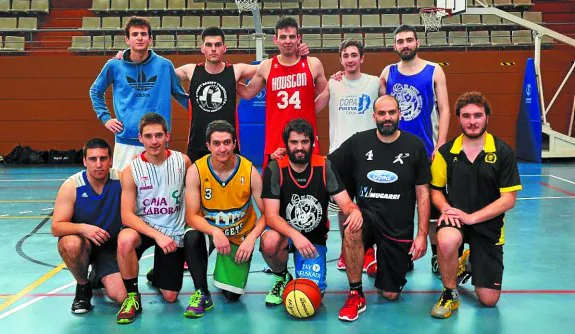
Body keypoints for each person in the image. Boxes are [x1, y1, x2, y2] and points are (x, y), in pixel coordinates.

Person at [330, 95, 430, 322]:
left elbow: (423, 192)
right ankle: (356, 293)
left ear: (399, 115)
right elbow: (326, 165)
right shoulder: (358, 142)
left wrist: (422, 234)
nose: (387, 118)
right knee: (352, 228)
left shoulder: (414, 146)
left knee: (390, 294)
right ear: (374, 116)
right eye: (382, 113)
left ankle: (386, 260)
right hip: (367, 216)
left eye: (391, 113)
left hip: (397, 224)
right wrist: (347, 203)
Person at [429, 91, 522, 319]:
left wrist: (472, 217)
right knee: (447, 239)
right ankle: (450, 293)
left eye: (478, 115)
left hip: (488, 224)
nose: (472, 121)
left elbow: (508, 199)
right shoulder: (445, 152)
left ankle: (469, 261)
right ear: (459, 118)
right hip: (455, 219)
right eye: (466, 116)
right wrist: (445, 208)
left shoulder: (503, 152)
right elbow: (436, 190)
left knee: (489, 300)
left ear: (487, 117)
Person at [260, 119, 362, 305]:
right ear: (286, 144)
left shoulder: (324, 166)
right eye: (294, 142)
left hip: (314, 239)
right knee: (269, 241)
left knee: (310, 296)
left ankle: (305, 271)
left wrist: (354, 211)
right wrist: (295, 236)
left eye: (304, 142)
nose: (300, 147)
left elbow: (346, 203)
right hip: (286, 235)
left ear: (312, 143)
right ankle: (282, 277)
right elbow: (271, 216)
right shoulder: (275, 169)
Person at [175, 26, 309, 162]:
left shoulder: (235, 71)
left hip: (228, 145)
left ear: (224, 48)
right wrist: (185, 100)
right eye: (209, 45)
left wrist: (293, 52)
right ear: (202, 48)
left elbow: (270, 65)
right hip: (197, 145)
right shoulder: (190, 70)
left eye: (217, 45)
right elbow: (164, 75)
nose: (213, 49)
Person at [380, 24, 450, 272]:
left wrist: (440, 144)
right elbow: (375, 101)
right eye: (400, 41)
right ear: (394, 46)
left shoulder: (434, 71)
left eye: (409, 40)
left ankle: (433, 254)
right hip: (394, 153)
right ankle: (403, 252)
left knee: (429, 207)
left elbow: (445, 109)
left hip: (426, 151)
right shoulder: (387, 73)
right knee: (398, 208)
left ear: (417, 42)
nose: (405, 44)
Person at [182, 120, 266, 317]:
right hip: (210, 233)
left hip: (239, 236)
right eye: (217, 143)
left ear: (234, 144)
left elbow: (267, 215)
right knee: (192, 236)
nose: (222, 148)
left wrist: (252, 238)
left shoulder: (250, 171)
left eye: (227, 142)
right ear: (208, 146)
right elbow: (191, 216)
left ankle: (224, 269)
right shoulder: (196, 171)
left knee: (231, 295)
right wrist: (214, 231)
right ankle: (201, 292)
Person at [115, 113, 191, 324]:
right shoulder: (131, 170)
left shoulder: (182, 161)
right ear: (140, 138)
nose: (154, 141)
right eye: (148, 136)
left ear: (167, 136)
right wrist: (157, 236)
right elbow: (127, 215)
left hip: (173, 231)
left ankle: (158, 274)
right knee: (125, 239)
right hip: (144, 228)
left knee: (170, 297)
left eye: (159, 135)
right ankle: (132, 298)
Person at [315, 38, 381, 274]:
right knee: (345, 207)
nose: (350, 59)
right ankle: (347, 250)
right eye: (346, 56)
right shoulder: (333, 84)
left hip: (369, 154)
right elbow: (312, 108)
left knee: (368, 206)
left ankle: (368, 251)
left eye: (354, 55)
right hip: (339, 156)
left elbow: (390, 106)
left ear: (362, 58)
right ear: (340, 59)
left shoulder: (375, 83)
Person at [90, 16, 188, 170]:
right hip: (126, 140)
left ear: (150, 39)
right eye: (135, 34)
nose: (140, 38)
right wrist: (105, 118)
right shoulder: (114, 65)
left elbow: (182, 97)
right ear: (127, 39)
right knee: (123, 187)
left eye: (143, 34)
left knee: (156, 190)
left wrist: (204, 113)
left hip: (157, 141)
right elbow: (95, 91)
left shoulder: (164, 65)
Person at [237, 16, 328, 171]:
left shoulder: (313, 63)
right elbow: (247, 93)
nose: (288, 41)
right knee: (275, 190)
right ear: (275, 40)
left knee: (311, 187)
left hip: (305, 139)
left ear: (299, 39)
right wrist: (228, 78)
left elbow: (327, 92)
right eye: (283, 37)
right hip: (276, 140)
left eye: (292, 37)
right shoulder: (267, 66)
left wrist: (311, 110)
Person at [51, 138, 126, 314]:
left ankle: (98, 273)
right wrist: (83, 228)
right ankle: (83, 288)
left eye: (103, 158)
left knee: (122, 296)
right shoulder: (72, 186)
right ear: (84, 161)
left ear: (111, 160)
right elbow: (56, 227)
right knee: (70, 244)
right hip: (83, 245)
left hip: (110, 248)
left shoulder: (121, 179)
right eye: (93, 159)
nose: (98, 164)